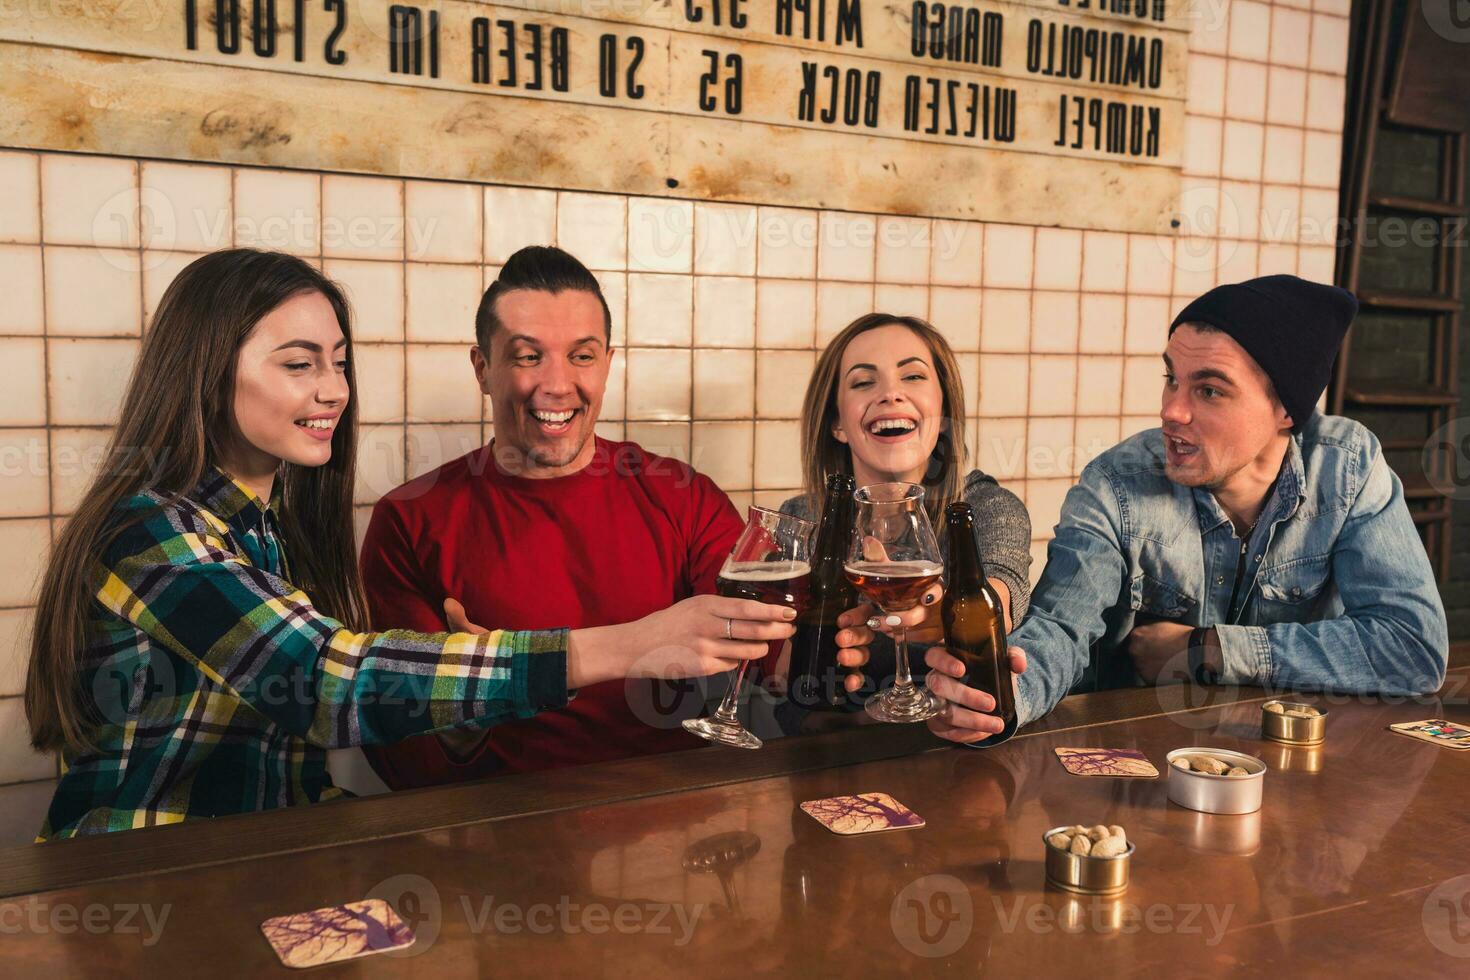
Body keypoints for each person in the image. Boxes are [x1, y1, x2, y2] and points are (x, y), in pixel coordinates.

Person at [24, 248, 796, 839]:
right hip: (145, 866)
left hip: (264, 851)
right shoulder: (156, 533)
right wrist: (625, 646)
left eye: (338, 363)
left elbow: (288, 760)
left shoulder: (269, 529)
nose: (332, 391)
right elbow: (330, 687)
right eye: (298, 365)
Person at [362, 246, 906, 786]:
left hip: (671, 815)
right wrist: (466, 709)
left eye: (582, 356)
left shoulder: (680, 495)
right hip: (498, 824)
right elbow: (395, 748)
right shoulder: (409, 521)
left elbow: (770, 650)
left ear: (608, 363)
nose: (557, 384)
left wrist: (833, 641)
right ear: (483, 368)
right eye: (528, 356)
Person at [925, 274, 1449, 743]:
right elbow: (1061, 627)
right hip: (1143, 770)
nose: (1171, 410)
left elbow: (1412, 648)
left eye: (1210, 390)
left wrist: (1209, 649)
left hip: (1301, 760)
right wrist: (1001, 702)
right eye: (1171, 378)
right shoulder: (1115, 485)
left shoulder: (1347, 467)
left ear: (1287, 409)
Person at [775, 314, 1031, 734]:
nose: (891, 394)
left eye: (912, 377)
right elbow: (785, 684)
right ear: (837, 423)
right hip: (825, 761)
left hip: (951, 759)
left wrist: (940, 618)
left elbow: (997, 600)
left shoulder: (986, 507)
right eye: (863, 383)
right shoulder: (800, 518)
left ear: (943, 410)